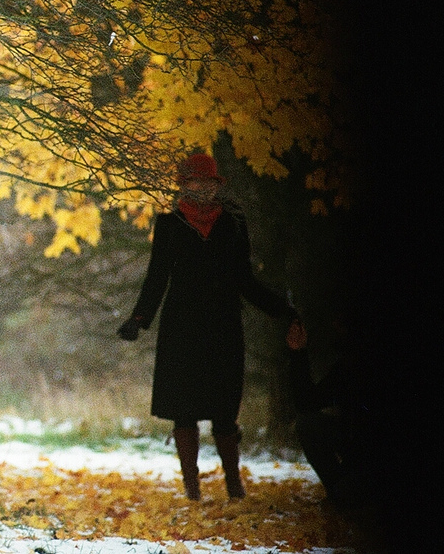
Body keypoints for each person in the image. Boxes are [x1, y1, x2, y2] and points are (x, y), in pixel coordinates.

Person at [118, 153, 297, 500]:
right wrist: (138, 319)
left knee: (224, 410)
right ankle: (192, 487)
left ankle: (234, 484)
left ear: (217, 186)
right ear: (183, 186)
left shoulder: (233, 222)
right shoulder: (169, 224)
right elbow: (157, 278)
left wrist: (280, 308)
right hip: (181, 327)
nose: (202, 188)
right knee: (183, 412)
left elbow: (245, 278)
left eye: (209, 182)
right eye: (194, 182)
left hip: (223, 324)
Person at [286, 319, 374, 510]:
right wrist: (298, 353)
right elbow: (307, 405)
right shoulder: (348, 366)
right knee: (308, 424)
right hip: (357, 455)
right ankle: (341, 491)